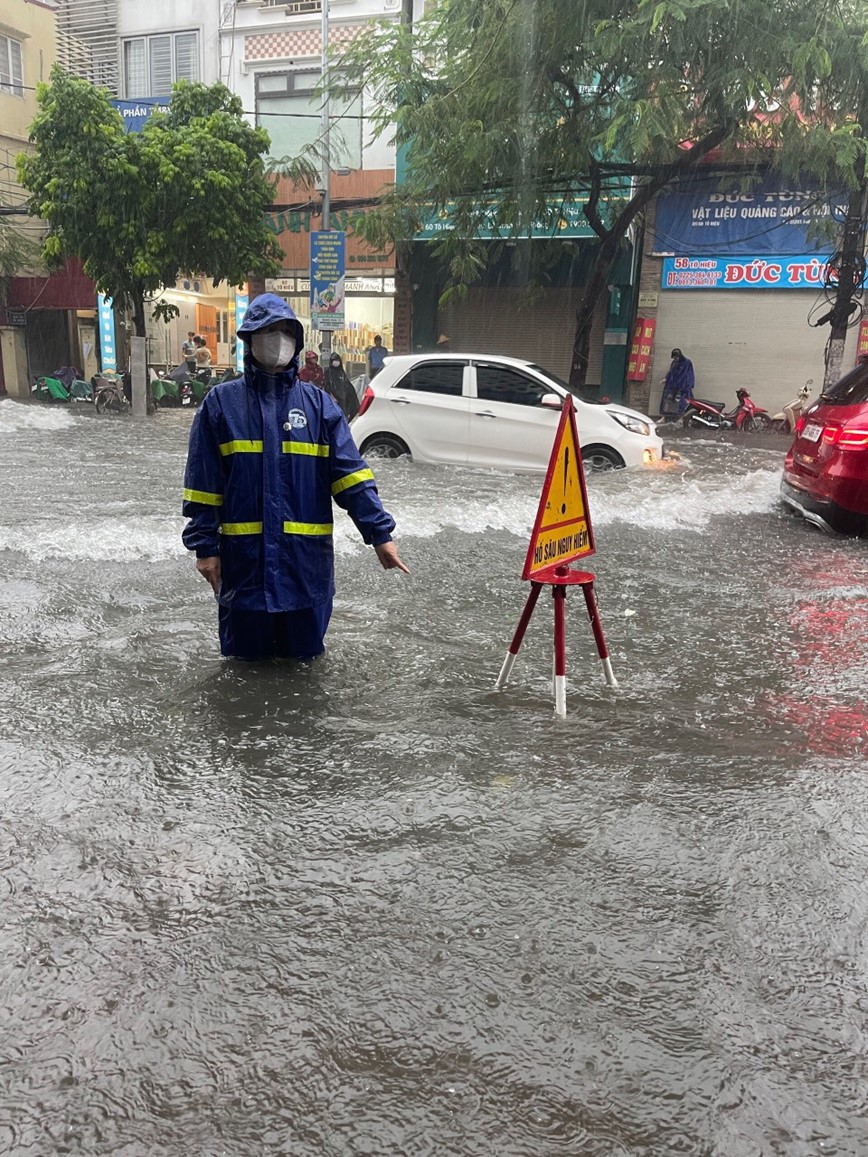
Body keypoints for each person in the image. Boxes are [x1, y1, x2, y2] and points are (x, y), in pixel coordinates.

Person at [181, 293, 409, 662]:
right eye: (267, 331)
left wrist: (379, 534)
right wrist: (205, 550)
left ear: (297, 341)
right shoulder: (221, 405)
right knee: (244, 676)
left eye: (285, 331)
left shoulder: (319, 406)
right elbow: (203, 487)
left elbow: (350, 477)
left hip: (306, 571)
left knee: (306, 675)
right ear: (249, 340)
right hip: (244, 572)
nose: (277, 340)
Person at [659, 347, 695, 420]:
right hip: (672, 385)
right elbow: (671, 372)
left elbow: (690, 374)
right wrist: (666, 379)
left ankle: (682, 418)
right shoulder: (674, 363)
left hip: (682, 386)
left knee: (682, 402)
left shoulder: (687, 363)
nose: (675, 359)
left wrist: (689, 385)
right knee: (667, 401)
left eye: (676, 357)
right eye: (674, 358)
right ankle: (664, 417)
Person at [323, 352, 360, 421]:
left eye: (337, 360)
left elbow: (346, 384)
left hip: (342, 398)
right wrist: (331, 396)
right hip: (333, 398)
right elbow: (326, 385)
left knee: (342, 414)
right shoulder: (328, 371)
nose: (336, 362)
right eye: (334, 360)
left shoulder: (341, 372)